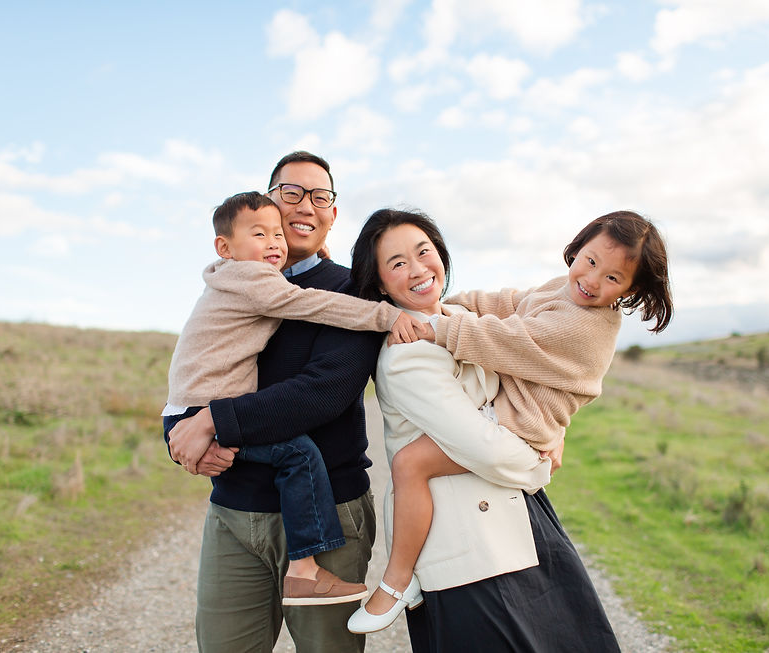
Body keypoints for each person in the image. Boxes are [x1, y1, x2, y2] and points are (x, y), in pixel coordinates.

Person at [347, 208, 672, 651]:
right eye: (398, 263)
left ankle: (396, 580)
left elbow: (506, 340)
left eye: (424, 252)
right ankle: (396, 580)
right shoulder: (407, 352)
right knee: (409, 464)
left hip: (511, 513)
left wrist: (553, 434)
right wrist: (540, 466)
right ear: (380, 281)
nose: (594, 281)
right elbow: (490, 448)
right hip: (471, 541)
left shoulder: (579, 322)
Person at [167, 152, 392, 652]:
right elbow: (198, 370)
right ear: (268, 204)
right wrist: (185, 437)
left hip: (328, 509)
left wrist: (214, 421)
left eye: (320, 196)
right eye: (290, 193)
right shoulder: (235, 281)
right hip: (234, 509)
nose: (305, 205)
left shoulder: (351, 292)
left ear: (332, 214)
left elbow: (322, 393)